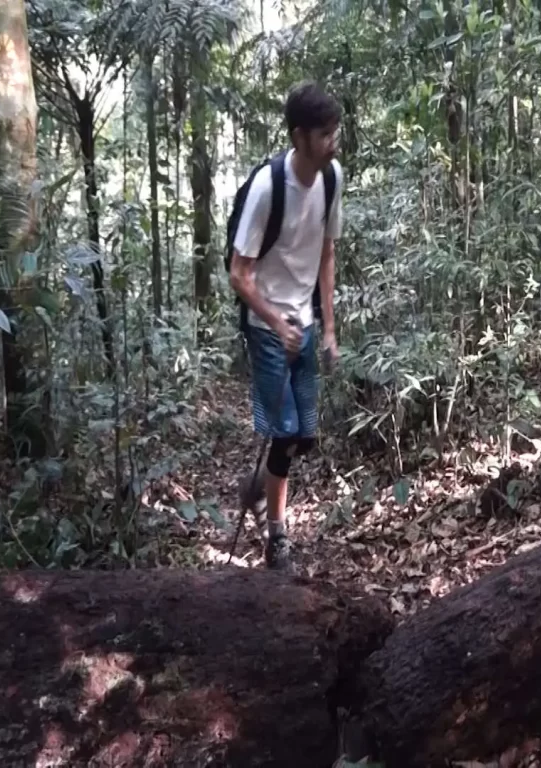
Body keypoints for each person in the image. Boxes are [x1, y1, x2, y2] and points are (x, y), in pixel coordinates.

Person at [228, 81, 343, 570]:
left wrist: (329, 327)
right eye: (323, 134)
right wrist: (276, 322)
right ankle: (277, 536)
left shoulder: (332, 178)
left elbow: (327, 252)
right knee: (285, 432)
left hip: (305, 321)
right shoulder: (267, 187)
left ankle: (257, 490)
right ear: (299, 137)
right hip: (267, 326)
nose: (333, 142)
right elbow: (239, 273)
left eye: (335, 132)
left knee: (304, 436)